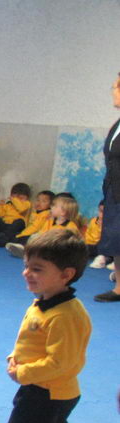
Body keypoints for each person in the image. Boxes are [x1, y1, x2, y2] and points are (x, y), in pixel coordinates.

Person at [0, 229, 91, 423]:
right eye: (26, 266)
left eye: (37, 269)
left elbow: (62, 362)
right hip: (40, 387)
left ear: (66, 274)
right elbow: (32, 342)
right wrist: (16, 357)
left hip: (49, 393)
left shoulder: (66, 315)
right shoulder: (45, 302)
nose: (27, 273)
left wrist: (22, 373)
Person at [94, 72, 120, 302]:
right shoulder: (118, 124)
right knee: (115, 237)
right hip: (115, 190)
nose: (113, 91)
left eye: (116, 87)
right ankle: (119, 288)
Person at [6, 195, 82, 259]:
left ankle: (29, 252)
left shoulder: (71, 226)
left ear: (63, 212)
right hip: (46, 244)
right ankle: (26, 251)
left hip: (58, 248)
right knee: (34, 237)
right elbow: (42, 233)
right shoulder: (50, 221)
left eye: (54, 206)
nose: (51, 207)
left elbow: (73, 243)